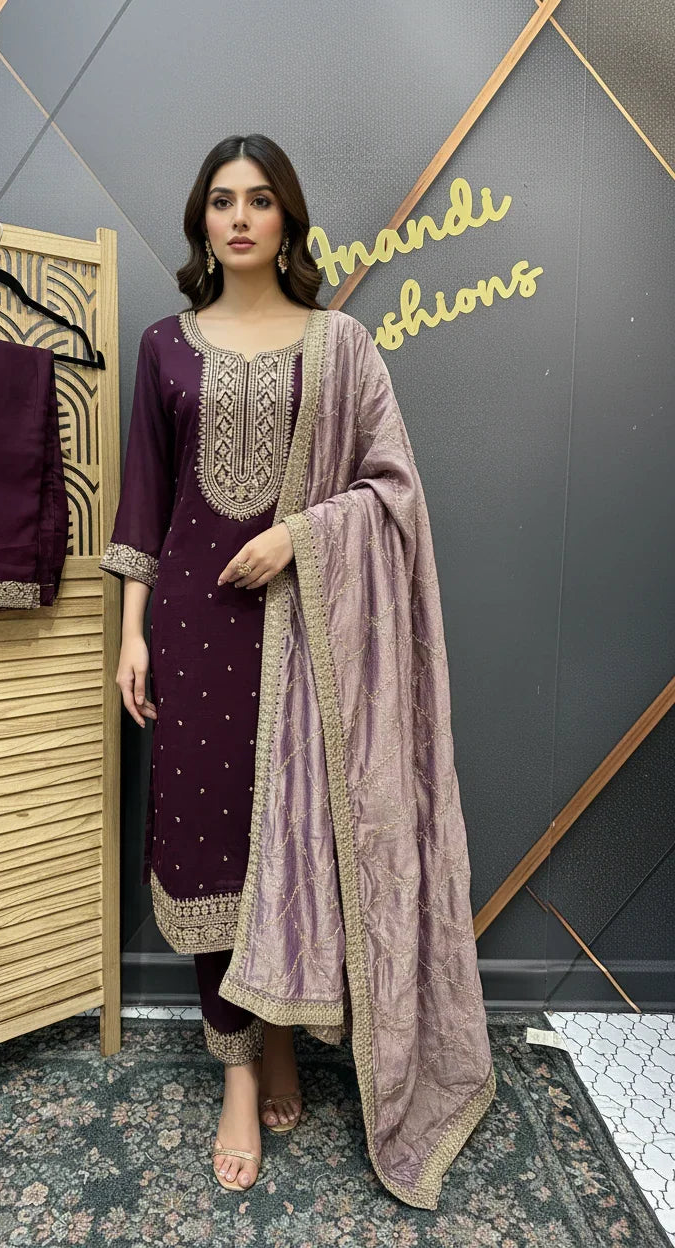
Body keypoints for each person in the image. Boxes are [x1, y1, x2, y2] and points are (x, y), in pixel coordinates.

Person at [101, 134, 496, 1207]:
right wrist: (131, 633)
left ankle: (280, 1037)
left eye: (259, 200)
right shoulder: (162, 346)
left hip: (300, 634)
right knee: (201, 852)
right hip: (188, 629)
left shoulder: (342, 343)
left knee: (289, 838)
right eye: (220, 201)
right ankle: (240, 1073)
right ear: (202, 222)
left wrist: (301, 538)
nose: (238, 217)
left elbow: (392, 489)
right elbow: (144, 500)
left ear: (287, 219)